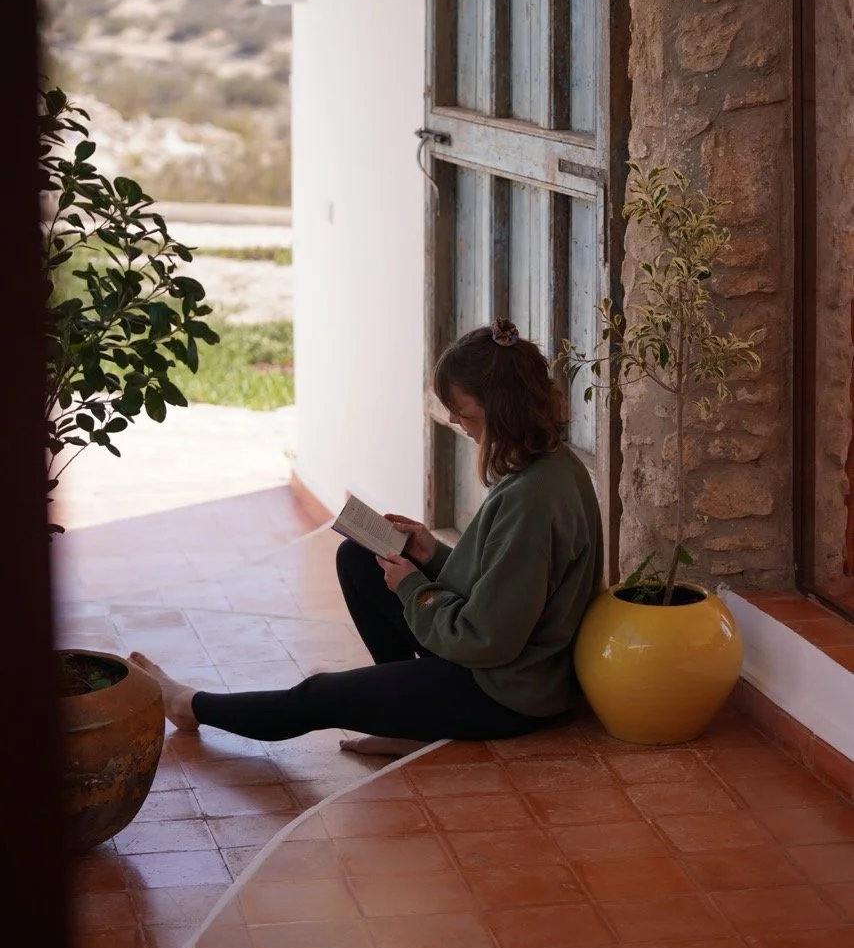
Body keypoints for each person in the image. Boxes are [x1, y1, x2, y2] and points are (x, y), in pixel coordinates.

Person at [131, 317, 604, 755]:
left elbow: (487, 638)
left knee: (319, 695)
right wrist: (432, 555)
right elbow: (504, 585)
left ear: (500, 408)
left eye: (462, 411)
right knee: (359, 557)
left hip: (503, 692)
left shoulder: (531, 498)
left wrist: (414, 587)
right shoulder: (549, 466)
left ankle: (188, 706)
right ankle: (405, 722)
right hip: (501, 667)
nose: (456, 423)